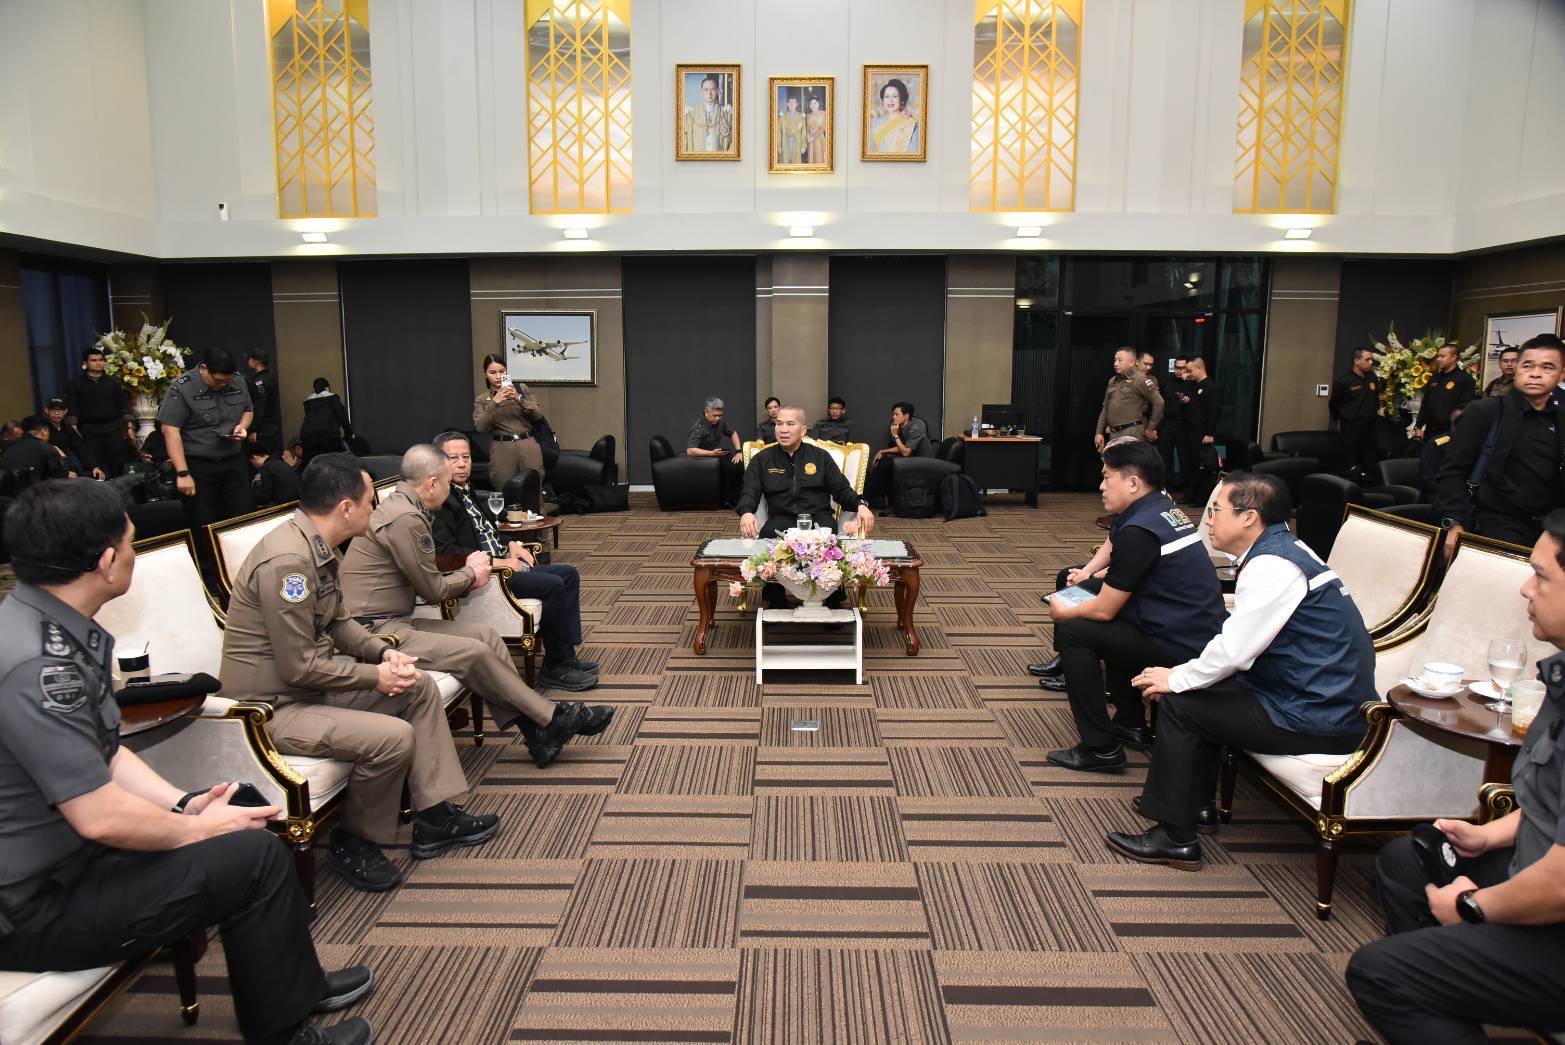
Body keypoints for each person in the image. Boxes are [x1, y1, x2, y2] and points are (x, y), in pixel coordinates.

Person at [0, 479, 374, 1045]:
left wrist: (183, 804)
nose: (133, 555)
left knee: (244, 816)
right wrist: (195, 830)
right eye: (130, 544)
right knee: (252, 857)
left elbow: (106, 752)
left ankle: (299, 983)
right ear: (106, 562)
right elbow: (98, 817)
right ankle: (284, 1029)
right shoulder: (41, 666)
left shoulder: (43, 627)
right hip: (37, 903)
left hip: (67, 864)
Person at [219, 453, 503, 893]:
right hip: (271, 709)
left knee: (417, 687)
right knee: (393, 738)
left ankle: (434, 818)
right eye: (371, 501)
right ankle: (354, 842)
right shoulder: (289, 563)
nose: (377, 508)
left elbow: (338, 622)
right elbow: (299, 667)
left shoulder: (318, 546)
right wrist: (375, 677)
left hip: (307, 690)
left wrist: (383, 654)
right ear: (346, 508)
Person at [1345, 509, 1565, 1043]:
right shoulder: (1558, 678)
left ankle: (1438, 973)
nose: (1525, 589)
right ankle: (1452, 981)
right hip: (1535, 866)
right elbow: (1548, 803)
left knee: (1379, 973)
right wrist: (1488, 835)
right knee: (1406, 858)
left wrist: (1471, 907)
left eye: (1541, 577)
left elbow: (1560, 884)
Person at [1106, 472, 1373, 869]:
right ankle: (1195, 806)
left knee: (1180, 704)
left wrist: (1176, 677)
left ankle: (1175, 839)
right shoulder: (1283, 550)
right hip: (1314, 696)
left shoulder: (1273, 566)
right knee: (1198, 690)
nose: (1208, 519)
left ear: (1249, 517)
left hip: (1316, 714)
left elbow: (1234, 652)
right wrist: (1185, 676)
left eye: (1216, 510)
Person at [341, 444, 610, 755]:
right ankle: (553, 718)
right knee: (475, 651)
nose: (449, 489)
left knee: (487, 637)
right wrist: (472, 573)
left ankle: (538, 735)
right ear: (432, 484)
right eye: (446, 482)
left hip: (397, 620)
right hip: (377, 631)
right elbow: (433, 590)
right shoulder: (407, 519)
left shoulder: (403, 507)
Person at [1042, 440, 1227, 772]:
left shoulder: (1140, 529)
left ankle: (1100, 749)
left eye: (1106, 477)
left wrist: (1063, 611)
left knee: (1075, 630)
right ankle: (1130, 722)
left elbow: (1104, 610)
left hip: (1181, 642)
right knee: (1092, 598)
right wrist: (1086, 581)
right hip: (1189, 623)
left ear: (1132, 482)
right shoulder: (1159, 508)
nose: (1101, 486)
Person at [430, 431, 600, 694]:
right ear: (438, 462)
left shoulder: (465, 489)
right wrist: (498, 562)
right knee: (553, 584)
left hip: (503, 560)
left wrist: (510, 544)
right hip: (489, 574)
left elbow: (486, 530)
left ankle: (566, 656)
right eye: (454, 458)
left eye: (466, 457)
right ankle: (555, 669)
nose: (462, 464)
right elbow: (446, 553)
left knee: (569, 574)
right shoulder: (441, 500)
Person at [1434, 337, 1565, 556]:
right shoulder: (1485, 411)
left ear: (1561, 374)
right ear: (1517, 369)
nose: (1536, 373)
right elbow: (1452, 469)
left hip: (1548, 529)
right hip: (1493, 524)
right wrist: (1453, 522)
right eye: (1528, 365)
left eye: (1547, 367)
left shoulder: (1560, 419)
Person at [735, 405, 875, 608]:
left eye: (790, 424)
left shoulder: (820, 457)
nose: (783, 430)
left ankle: (832, 595)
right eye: (779, 424)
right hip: (781, 517)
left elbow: (842, 490)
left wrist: (861, 504)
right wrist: (746, 512)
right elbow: (749, 491)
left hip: (817, 517)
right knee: (768, 536)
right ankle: (775, 597)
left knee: (828, 538)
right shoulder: (762, 459)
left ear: (802, 430)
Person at [158, 346, 254, 536]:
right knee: (204, 522)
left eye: (227, 381)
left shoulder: (238, 381)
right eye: (218, 381)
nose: (223, 385)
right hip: (198, 465)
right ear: (204, 369)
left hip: (233, 461)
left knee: (242, 516)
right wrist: (183, 473)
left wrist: (242, 426)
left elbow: (248, 410)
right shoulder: (182, 387)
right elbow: (170, 430)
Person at [474, 353, 545, 492]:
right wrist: (494, 402)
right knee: (504, 488)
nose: (498, 376)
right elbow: (481, 428)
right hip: (502, 447)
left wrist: (519, 398)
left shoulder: (521, 389)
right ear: (485, 374)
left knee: (534, 488)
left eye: (502, 371)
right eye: (492, 372)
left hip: (527, 444)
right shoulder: (482, 399)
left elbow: (537, 416)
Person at [66, 347, 132, 478]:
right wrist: (73, 426)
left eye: (101, 360)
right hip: (89, 430)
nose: (98, 363)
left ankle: (118, 487)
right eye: (94, 360)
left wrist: (129, 426)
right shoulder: (76, 383)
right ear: (85, 363)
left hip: (113, 428)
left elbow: (122, 404)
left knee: (118, 464)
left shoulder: (112, 382)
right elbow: (72, 405)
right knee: (94, 465)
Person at [1094, 347, 1163, 450]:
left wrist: (1151, 428)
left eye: (1120, 360)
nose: (1116, 363)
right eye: (1115, 360)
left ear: (1132, 362)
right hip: (1113, 434)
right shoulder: (1112, 381)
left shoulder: (1140, 379)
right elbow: (1105, 407)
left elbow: (1159, 402)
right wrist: (1099, 432)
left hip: (1132, 433)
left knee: (1131, 461)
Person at [1330, 347, 1383, 479]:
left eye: (1371, 359)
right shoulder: (1344, 381)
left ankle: (1369, 487)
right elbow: (1333, 405)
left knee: (1370, 463)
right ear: (1356, 361)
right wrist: (1343, 420)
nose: (1371, 362)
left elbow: (1376, 398)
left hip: (1370, 427)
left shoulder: (1373, 378)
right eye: (1367, 359)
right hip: (1351, 428)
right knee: (1351, 464)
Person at [1178, 355, 1220, 504]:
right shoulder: (1194, 386)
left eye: (1190, 371)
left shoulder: (1211, 387)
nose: (1188, 374)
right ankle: (1190, 495)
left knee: (1202, 466)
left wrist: (1210, 433)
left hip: (1202, 433)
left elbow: (1214, 412)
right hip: (1190, 431)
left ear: (1199, 368)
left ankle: (1202, 498)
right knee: (1190, 465)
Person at [687, 395, 744, 506]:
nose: (718, 418)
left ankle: (736, 498)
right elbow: (690, 450)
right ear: (706, 412)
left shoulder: (720, 423)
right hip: (702, 458)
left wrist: (738, 452)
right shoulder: (698, 427)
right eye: (715, 415)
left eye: (720, 415)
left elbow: (733, 433)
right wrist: (712, 453)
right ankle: (725, 500)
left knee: (739, 464)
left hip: (714, 455)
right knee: (729, 467)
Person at [1414, 341, 1478, 441]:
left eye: (1443, 356)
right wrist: (1418, 426)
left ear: (1454, 357)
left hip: (1451, 432)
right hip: (1430, 431)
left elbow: (1465, 408)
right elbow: (1425, 404)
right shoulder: (1434, 378)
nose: (1438, 359)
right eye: (1438, 356)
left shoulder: (1465, 379)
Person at [1, 415, 70, 485]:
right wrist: (63, 459)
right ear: (43, 431)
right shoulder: (46, 447)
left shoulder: (7, 448)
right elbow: (61, 479)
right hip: (32, 490)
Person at [299, 377, 352, 463]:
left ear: (314, 389)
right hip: (328, 437)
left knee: (314, 466)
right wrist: (349, 433)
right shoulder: (332, 398)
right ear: (327, 388)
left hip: (308, 439)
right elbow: (342, 417)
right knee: (338, 463)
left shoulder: (308, 402)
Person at [1158, 356, 1190, 495]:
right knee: (1164, 456)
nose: (1178, 370)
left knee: (1185, 457)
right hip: (1167, 423)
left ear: (1187, 368)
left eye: (1182, 368)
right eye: (1176, 367)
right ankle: (1164, 488)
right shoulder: (1166, 382)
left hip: (1184, 424)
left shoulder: (1192, 383)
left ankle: (1186, 490)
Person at [246, 349, 284, 458]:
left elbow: (261, 406)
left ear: (256, 361)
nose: (248, 361)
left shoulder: (259, 381)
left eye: (250, 358)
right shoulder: (271, 377)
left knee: (262, 459)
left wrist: (254, 430)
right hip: (273, 426)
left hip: (263, 429)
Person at [683, 73, 733, 153]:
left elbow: (734, 141)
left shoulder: (727, 113)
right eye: (706, 89)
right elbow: (684, 140)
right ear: (701, 91)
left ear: (717, 91)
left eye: (712, 89)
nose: (709, 93)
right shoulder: (690, 114)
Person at [43, 397, 94, 477]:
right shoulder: (42, 428)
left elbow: (81, 448)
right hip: (47, 470)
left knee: (92, 475)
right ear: (46, 410)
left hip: (63, 467)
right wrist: (64, 472)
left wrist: (93, 466)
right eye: (53, 410)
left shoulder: (67, 429)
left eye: (60, 410)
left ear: (65, 411)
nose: (57, 413)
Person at [868, 77, 919, 154]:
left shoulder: (911, 125)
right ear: (883, 100)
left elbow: (914, 154)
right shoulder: (876, 122)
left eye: (895, 96)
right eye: (887, 96)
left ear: (901, 99)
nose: (890, 100)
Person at [776, 91, 806, 164]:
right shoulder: (782, 116)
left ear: (797, 104)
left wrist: (803, 146)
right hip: (785, 143)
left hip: (797, 143)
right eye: (790, 102)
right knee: (784, 163)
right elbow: (778, 132)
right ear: (787, 104)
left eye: (793, 102)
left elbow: (804, 132)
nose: (792, 104)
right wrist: (779, 146)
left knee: (796, 164)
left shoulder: (801, 117)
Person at [804, 93, 828, 164]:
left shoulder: (823, 113)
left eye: (815, 103)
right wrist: (808, 137)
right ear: (809, 105)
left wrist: (813, 137)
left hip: (819, 138)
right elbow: (807, 128)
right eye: (811, 103)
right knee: (811, 159)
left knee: (819, 157)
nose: (813, 105)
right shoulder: (808, 115)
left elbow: (823, 128)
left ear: (818, 104)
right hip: (810, 140)